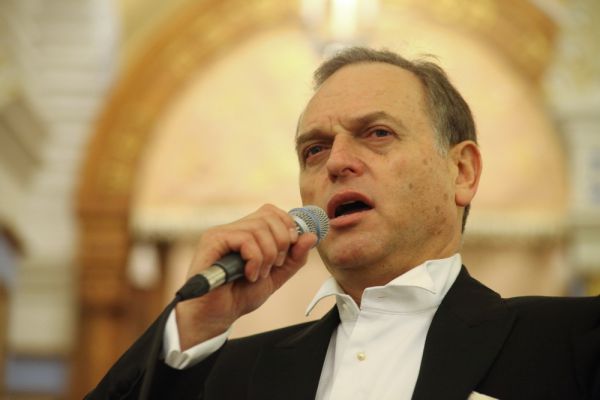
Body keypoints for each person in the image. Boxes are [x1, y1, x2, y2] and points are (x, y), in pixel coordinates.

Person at [87, 47, 600, 400]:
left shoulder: (570, 342)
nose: (336, 162)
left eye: (377, 134)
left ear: (461, 171)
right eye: (314, 149)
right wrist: (195, 325)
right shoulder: (230, 376)